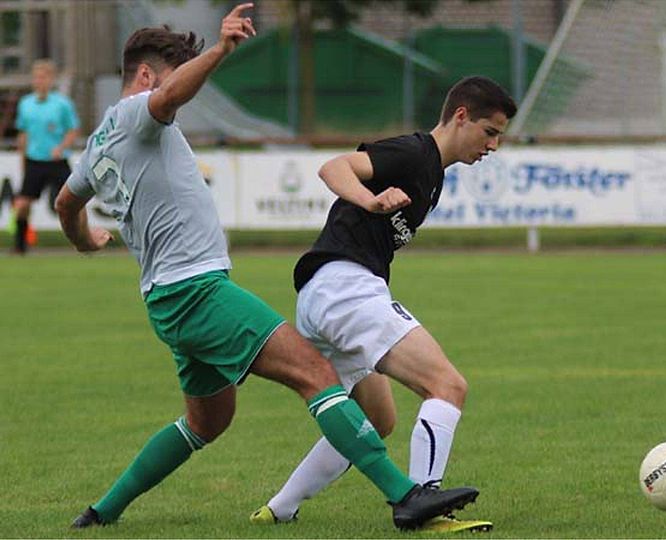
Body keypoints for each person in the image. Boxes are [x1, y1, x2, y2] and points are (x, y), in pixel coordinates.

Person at [55, 4, 477, 531]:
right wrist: (221, 50)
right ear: (144, 75)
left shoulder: (98, 146)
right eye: (167, 77)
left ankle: (102, 512)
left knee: (207, 421)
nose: (174, 100)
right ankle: (403, 496)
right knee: (317, 374)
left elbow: (65, 205)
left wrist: (85, 240)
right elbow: (167, 96)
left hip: (166, 302)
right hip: (197, 292)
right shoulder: (136, 110)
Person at [249, 75, 516, 533]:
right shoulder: (414, 153)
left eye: (500, 137)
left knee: (377, 417)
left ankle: (280, 507)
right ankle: (423, 502)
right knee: (447, 385)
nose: (493, 146)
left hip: (324, 294)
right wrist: (371, 201)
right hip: (343, 288)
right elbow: (334, 168)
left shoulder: (434, 175)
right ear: (460, 117)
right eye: (489, 132)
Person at [11, 59, 79, 254]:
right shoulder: (26, 103)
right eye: (36, 77)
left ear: (51, 79)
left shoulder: (62, 104)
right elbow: (23, 133)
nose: (38, 81)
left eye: (42, 77)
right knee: (23, 204)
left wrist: (62, 147)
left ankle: (81, 239)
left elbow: (73, 130)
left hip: (57, 161)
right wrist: (22, 158)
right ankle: (19, 245)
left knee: (73, 202)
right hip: (35, 160)